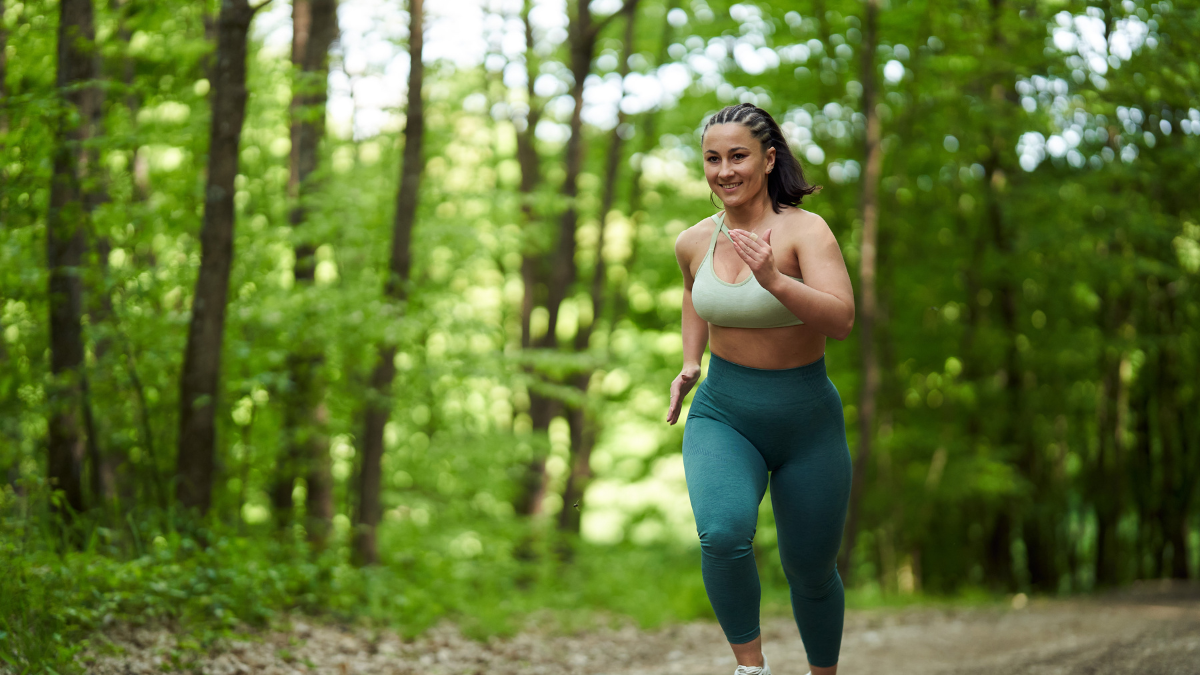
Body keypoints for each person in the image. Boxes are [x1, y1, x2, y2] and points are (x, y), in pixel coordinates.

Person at [666, 103, 856, 675]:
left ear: (769, 160)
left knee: (811, 570)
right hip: (725, 412)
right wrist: (690, 363)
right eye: (713, 158)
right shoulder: (694, 241)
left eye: (738, 156)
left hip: (807, 422)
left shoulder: (806, 231)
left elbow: (842, 320)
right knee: (722, 535)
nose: (724, 170)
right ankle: (752, 669)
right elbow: (693, 296)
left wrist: (773, 278)